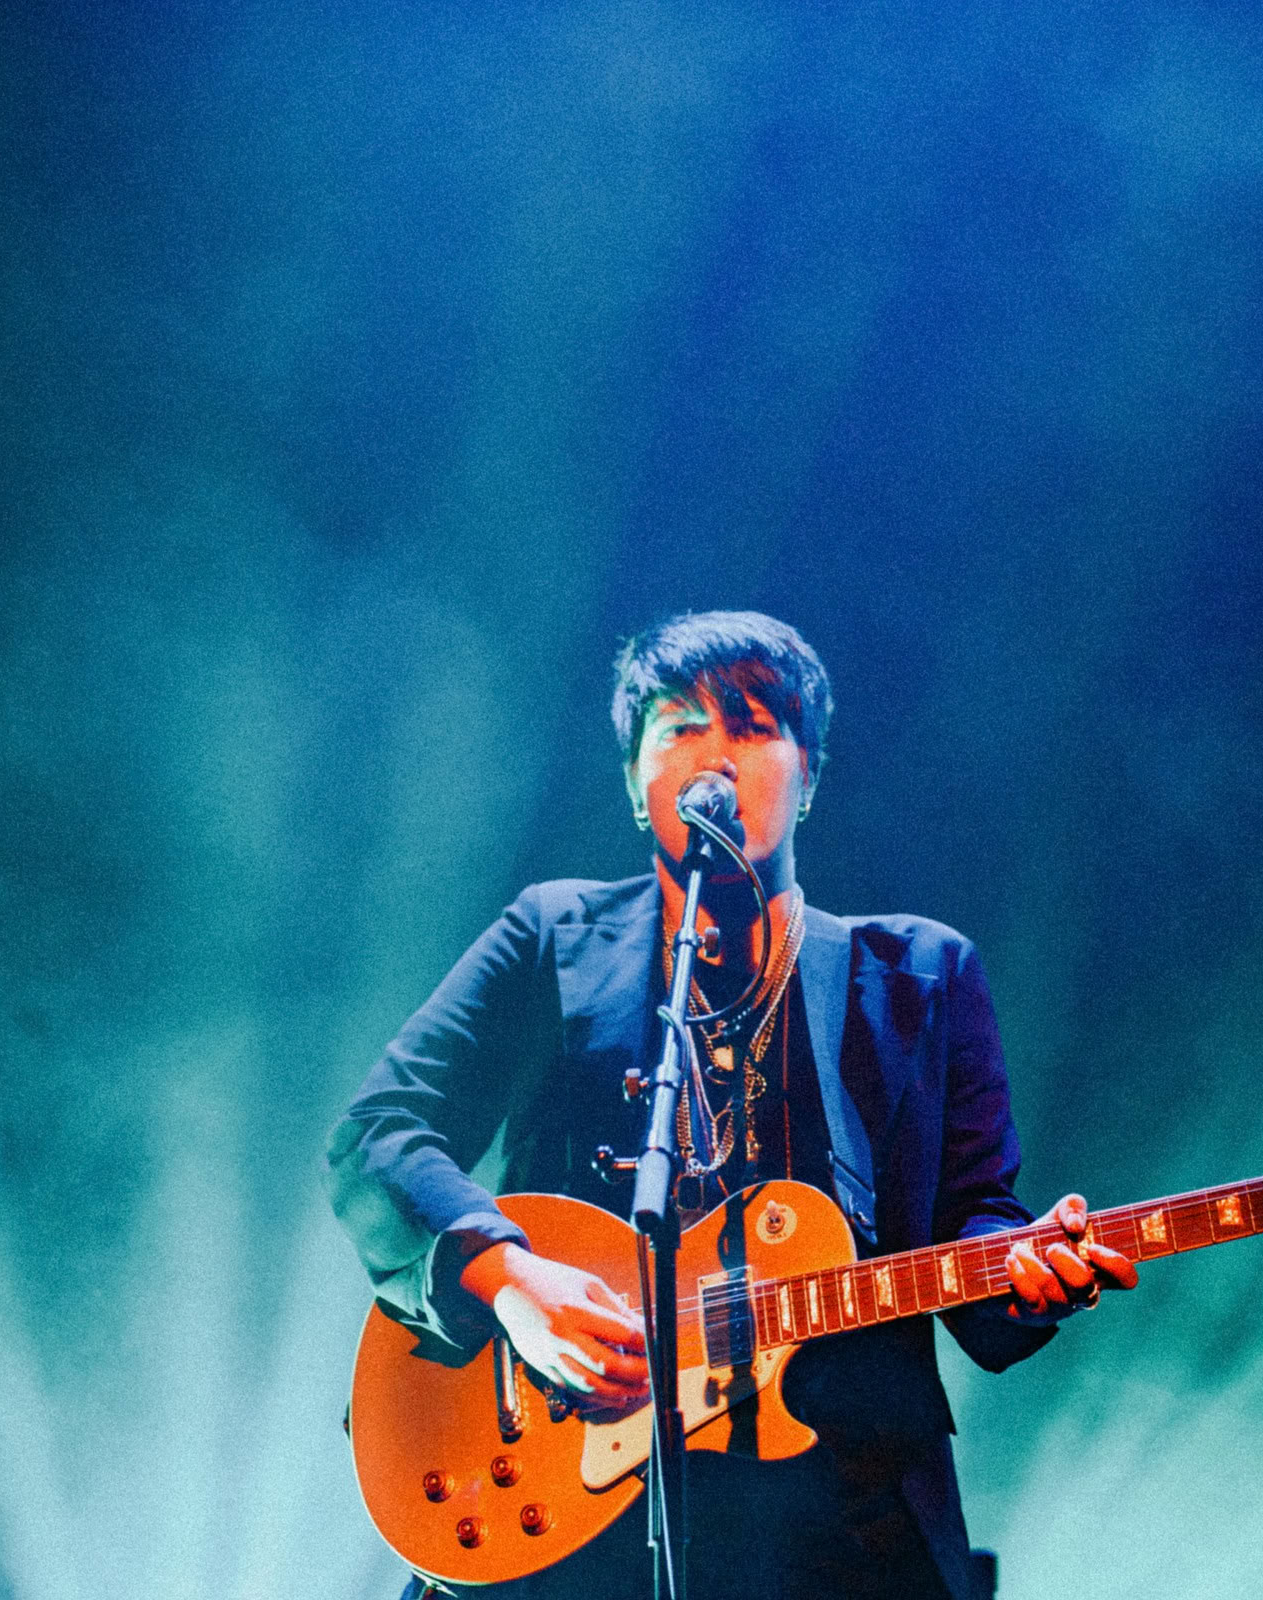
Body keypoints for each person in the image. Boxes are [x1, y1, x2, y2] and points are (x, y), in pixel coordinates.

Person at [328, 610, 1137, 1600]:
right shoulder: (553, 938)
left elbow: (978, 1218)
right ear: (635, 784)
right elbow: (380, 1133)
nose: (717, 756)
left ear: (809, 773)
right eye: (679, 728)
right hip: (569, 1512)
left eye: (755, 726)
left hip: (841, 1528)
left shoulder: (920, 975)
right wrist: (509, 1278)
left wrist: (1028, 1269)